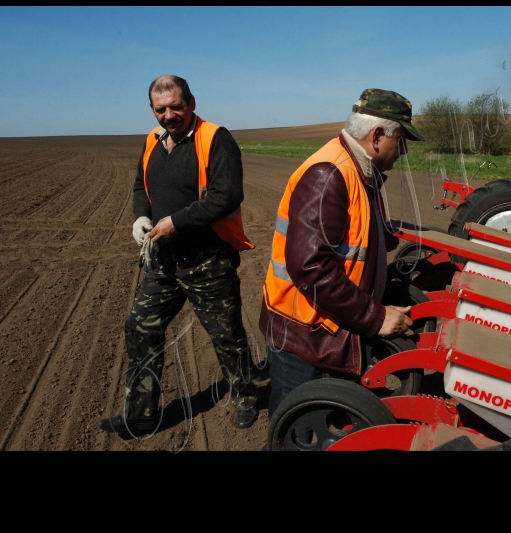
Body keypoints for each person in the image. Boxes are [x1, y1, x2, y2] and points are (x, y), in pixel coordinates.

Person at [97, 75, 264, 437]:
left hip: (208, 261)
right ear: (152, 110)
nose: (169, 115)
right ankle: (141, 414)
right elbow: (142, 184)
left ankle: (245, 398)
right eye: (161, 109)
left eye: (176, 106)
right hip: (164, 262)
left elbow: (227, 196)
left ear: (191, 102)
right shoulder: (153, 141)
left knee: (227, 337)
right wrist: (142, 216)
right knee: (139, 328)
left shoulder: (215, 139)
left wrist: (177, 221)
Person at [259, 88, 426, 422]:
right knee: (298, 433)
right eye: (402, 141)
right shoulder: (329, 175)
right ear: (377, 136)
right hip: (305, 337)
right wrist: (375, 317)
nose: (403, 152)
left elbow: (346, 241)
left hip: (326, 325)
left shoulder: (358, 170)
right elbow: (311, 267)